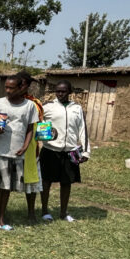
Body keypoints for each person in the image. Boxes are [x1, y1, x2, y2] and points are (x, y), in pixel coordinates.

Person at [0, 75, 38, 231]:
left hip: (17, 151)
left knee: (8, 187)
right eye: (6, 87)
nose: (7, 90)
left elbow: (30, 128)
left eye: (11, 88)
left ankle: (2, 219)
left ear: (21, 88)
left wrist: (26, 146)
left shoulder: (30, 106)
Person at [40, 80, 90, 222]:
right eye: (58, 91)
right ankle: (44, 211)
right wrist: (48, 133)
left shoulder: (77, 108)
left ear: (70, 92)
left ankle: (63, 213)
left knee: (67, 182)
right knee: (46, 181)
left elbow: (82, 129)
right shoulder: (48, 107)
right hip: (50, 150)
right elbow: (38, 123)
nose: (60, 94)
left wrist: (86, 151)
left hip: (70, 151)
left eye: (63, 91)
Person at [16, 71, 45, 224]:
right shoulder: (8, 101)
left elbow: (40, 126)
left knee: (32, 181)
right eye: (17, 83)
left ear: (28, 85)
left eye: (23, 84)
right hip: (10, 145)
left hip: (31, 148)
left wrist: (46, 135)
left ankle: (31, 213)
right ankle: (1, 214)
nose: (20, 87)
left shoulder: (35, 104)